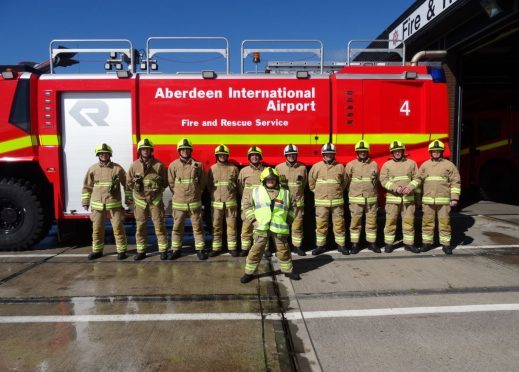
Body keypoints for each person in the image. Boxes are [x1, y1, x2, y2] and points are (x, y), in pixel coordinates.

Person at [240, 167, 301, 283]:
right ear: (263, 181)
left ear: (277, 180)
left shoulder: (286, 193)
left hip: (279, 228)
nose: (271, 181)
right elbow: (246, 206)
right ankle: (249, 273)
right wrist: (253, 220)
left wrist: (288, 221)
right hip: (261, 227)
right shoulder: (255, 192)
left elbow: (293, 207)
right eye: (268, 180)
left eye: (273, 180)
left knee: (283, 250)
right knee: (256, 251)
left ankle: (288, 270)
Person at [81, 143, 129, 260]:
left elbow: (127, 184)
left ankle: (121, 251)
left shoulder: (117, 169)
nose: (103, 155)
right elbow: (87, 186)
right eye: (101, 154)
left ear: (109, 155)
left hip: (114, 205)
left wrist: (128, 198)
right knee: (97, 229)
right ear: (98, 155)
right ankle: (97, 251)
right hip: (97, 206)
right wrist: (85, 201)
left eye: (106, 153)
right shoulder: (93, 169)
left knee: (118, 228)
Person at [127, 138, 169, 260]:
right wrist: (135, 185)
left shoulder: (159, 165)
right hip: (140, 202)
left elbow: (165, 182)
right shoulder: (134, 166)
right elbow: (128, 183)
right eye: (143, 149)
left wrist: (156, 190)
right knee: (140, 227)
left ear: (151, 150)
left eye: (147, 149)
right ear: (140, 150)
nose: (145, 151)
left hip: (155, 201)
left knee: (160, 226)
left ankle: (163, 250)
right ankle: (141, 251)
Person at [418, 140, 461, 255]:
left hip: (444, 201)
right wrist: (418, 199)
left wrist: (454, 198)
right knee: (427, 222)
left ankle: (446, 245)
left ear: (441, 152)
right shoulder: (425, 165)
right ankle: (427, 243)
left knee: (445, 223)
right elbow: (418, 182)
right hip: (428, 201)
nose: (436, 153)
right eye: (433, 151)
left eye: (438, 151)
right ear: (430, 152)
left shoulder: (449, 165)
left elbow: (455, 182)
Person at [168, 138, 207, 260]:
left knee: (198, 227)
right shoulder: (173, 165)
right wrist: (178, 193)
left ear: (191, 150)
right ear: (179, 150)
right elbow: (171, 183)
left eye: (187, 149)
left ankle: (200, 249)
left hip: (194, 202)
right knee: (177, 227)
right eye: (183, 149)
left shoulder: (198, 165)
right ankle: (176, 249)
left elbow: (203, 182)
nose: (185, 151)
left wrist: (197, 192)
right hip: (179, 203)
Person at [379, 141, 421, 253]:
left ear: (403, 151)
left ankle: (409, 244)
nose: (397, 153)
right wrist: (395, 188)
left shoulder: (411, 163)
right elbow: (383, 180)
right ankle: (388, 244)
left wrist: (410, 187)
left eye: (399, 151)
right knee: (390, 222)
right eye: (395, 151)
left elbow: (417, 179)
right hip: (393, 200)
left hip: (408, 199)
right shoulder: (387, 165)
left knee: (409, 222)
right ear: (392, 152)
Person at [308, 143, 348, 255]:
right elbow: (311, 183)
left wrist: (337, 192)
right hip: (321, 203)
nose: (328, 155)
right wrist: (318, 192)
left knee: (339, 224)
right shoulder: (316, 167)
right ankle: (320, 246)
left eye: (331, 153)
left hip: (337, 202)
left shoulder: (340, 167)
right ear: (323, 154)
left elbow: (344, 182)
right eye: (326, 153)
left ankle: (341, 245)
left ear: (334, 154)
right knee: (321, 225)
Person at [345, 140, 380, 254]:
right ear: (357, 152)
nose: (362, 153)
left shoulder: (374, 164)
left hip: (371, 199)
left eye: (364, 151)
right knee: (355, 222)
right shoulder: (351, 165)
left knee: (372, 222)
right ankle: (355, 244)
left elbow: (377, 181)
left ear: (367, 152)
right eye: (360, 151)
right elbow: (346, 181)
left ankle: (372, 243)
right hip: (356, 200)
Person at [207, 144, 239, 257]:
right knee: (216, 227)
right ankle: (216, 248)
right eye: (220, 155)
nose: (222, 156)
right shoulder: (212, 169)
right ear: (217, 156)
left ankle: (232, 248)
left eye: (224, 155)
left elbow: (238, 185)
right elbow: (209, 185)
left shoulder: (234, 168)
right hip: (216, 204)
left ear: (227, 156)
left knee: (232, 226)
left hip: (231, 204)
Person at [275, 144, 308, 256]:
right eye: (289, 155)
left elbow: (304, 184)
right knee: (282, 226)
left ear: (296, 155)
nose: (291, 156)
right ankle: (282, 246)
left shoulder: (302, 168)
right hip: (283, 203)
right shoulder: (279, 168)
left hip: (297, 204)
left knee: (297, 226)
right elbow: (275, 186)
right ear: (285, 155)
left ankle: (297, 247)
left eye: (293, 154)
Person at [238, 146, 264, 256]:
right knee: (246, 227)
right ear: (249, 157)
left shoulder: (265, 171)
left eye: (257, 155)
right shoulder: (243, 171)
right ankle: (245, 249)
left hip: (261, 205)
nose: (254, 157)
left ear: (260, 157)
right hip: (248, 205)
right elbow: (240, 187)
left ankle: (262, 249)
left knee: (261, 228)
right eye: (252, 155)